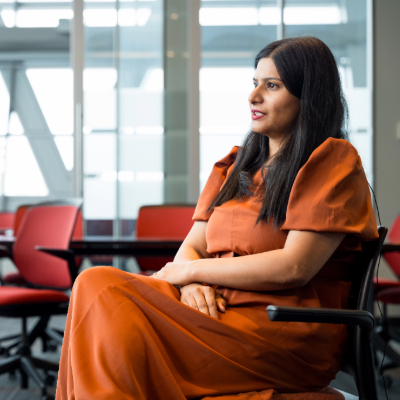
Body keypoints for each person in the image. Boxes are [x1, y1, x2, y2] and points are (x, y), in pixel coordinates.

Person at [56, 37, 378, 400]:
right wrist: (191, 285)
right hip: (213, 313)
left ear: (310, 97)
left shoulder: (332, 160)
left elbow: (294, 266)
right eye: (254, 83)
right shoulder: (235, 166)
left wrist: (192, 273)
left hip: (278, 329)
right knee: (94, 285)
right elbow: (191, 247)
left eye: (272, 86)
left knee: (107, 301)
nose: (253, 97)